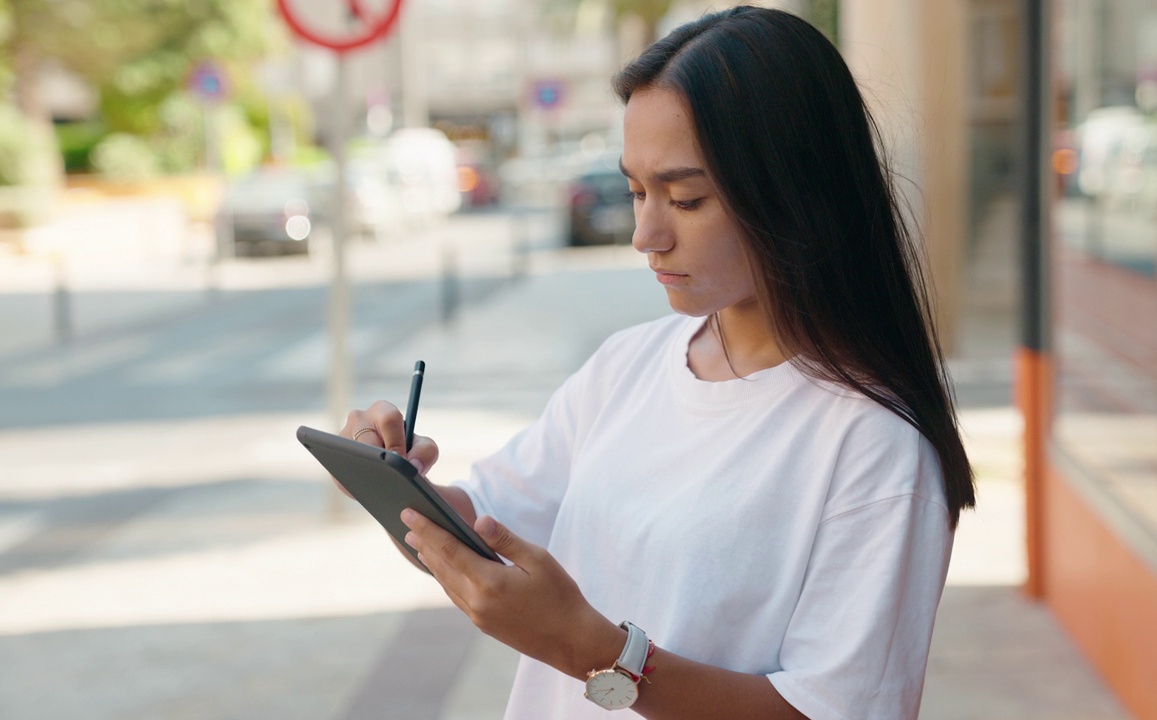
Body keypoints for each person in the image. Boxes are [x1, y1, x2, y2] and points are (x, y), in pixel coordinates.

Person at [339, 6, 974, 719]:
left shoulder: (875, 446)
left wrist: (594, 652)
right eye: (638, 191)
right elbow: (484, 525)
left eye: (685, 197)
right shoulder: (627, 366)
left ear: (795, 193)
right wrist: (403, 491)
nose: (646, 233)